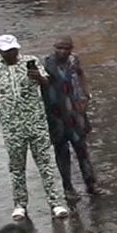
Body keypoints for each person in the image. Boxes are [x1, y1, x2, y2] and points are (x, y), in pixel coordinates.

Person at [0, 35, 69, 220]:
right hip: (12, 126)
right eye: (7, 51)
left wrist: (38, 77)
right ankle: (20, 204)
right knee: (16, 167)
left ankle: (55, 203)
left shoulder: (31, 62)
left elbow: (47, 83)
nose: (12, 54)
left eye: (14, 50)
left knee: (45, 164)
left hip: (36, 122)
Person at [41, 35, 100, 196]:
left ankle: (91, 184)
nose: (63, 51)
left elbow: (81, 75)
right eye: (59, 48)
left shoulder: (74, 61)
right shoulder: (46, 64)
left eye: (66, 48)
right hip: (56, 116)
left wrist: (86, 95)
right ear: (54, 48)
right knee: (62, 152)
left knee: (82, 149)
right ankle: (68, 187)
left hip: (76, 113)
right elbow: (41, 85)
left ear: (71, 49)